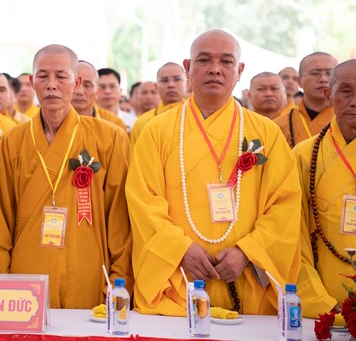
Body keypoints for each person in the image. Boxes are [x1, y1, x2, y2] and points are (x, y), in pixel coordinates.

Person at [127, 29, 301, 316]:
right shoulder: (157, 131)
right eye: (204, 60)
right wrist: (180, 249)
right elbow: (143, 200)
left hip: (245, 277)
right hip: (178, 277)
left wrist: (247, 252)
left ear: (240, 70)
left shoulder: (265, 132)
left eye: (226, 62)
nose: (215, 69)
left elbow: (285, 204)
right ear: (188, 67)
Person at [0, 44, 133, 309]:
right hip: (26, 271)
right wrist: (0, 276)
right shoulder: (13, 140)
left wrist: (119, 280)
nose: (51, 85)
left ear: (76, 82)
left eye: (61, 76)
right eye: (43, 76)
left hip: (88, 269)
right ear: (32, 82)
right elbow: (0, 215)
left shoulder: (110, 138)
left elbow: (120, 217)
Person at [294, 59, 356, 317]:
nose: (354, 101)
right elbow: (294, 236)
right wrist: (318, 300)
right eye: (346, 91)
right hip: (324, 293)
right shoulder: (305, 154)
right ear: (329, 96)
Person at [274, 52, 337, 148]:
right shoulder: (279, 125)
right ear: (299, 81)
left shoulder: (348, 121)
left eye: (329, 73)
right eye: (315, 73)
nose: (323, 79)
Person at [130, 62, 187, 147]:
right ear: (156, 87)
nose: (171, 85)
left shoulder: (198, 115)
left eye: (177, 79)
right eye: (165, 80)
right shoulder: (141, 123)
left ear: (187, 84)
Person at [71, 60, 126, 132]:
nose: (79, 92)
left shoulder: (115, 124)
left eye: (87, 85)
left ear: (97, 92)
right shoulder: (55, 122)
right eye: (75, 84)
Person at [97, 68, 136, 133]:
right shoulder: (89, 120)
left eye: (112, 86)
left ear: (120, 90)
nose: (107, 91)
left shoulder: (133, 122)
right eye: (102, 87)